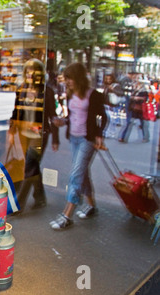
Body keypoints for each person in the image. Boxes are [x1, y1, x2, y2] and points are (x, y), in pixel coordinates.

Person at [49, 62, 107, 230]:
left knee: (75, 175)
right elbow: (73, 116)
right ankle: (91, 205)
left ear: (78, 78)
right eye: (66, 78)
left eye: (70, 78)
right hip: (74, 138)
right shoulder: (71, 94)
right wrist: (63, 121)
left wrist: (99, 135)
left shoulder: (93, 95)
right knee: (82, 172)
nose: (67, 81)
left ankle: (67, 215)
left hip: (86, 140)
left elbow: (103, 117)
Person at [6, 59, 59, 212]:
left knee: (29, 166)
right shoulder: (21, 88)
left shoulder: (47, 91)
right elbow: (16, 112)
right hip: (23, 132)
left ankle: (18, 204)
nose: (30, 74)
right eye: (28, 70)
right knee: (31, 166)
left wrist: (55, 139)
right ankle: (40, 197)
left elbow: (52, 116)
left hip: (39, 134)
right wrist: (11, 130)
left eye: (34, 71)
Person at [119, 77, 150, 143]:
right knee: (130, 123)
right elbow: (130, 98)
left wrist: (137, 98)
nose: (136, 85)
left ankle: (146, 138)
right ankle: (124, 138)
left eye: (138, 84)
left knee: (144, 124)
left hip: (141, 110)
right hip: (133, 109)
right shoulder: (134, 91)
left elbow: (145, 99)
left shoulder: (144, 91)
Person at [102, 73, 124, 138]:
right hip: (106, 104)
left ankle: (111, 132)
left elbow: (121, 93)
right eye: (107, 79)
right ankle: (107, 132)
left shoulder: (116, 86)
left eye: (110, 79)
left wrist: (113, 90)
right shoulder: (106, 86)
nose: (108, 80)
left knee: (112, 120)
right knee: (107, 119)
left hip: (112, 104)